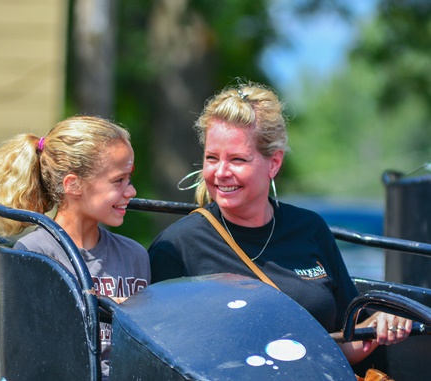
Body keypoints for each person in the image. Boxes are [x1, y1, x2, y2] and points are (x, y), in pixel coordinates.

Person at [148, 81, 411, 366]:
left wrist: (380, 324)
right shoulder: (175, 247)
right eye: (212, 158)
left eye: (237, 159)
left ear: (274, 163)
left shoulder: (310, 229)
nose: (221, 172)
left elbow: (340, 347)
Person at [0, 115, 151, 380]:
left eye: (130, 179)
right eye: (118, 181)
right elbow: (33, 355)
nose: (131, 191)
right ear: (73, 185)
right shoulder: (34, 255)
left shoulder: (135, 255)